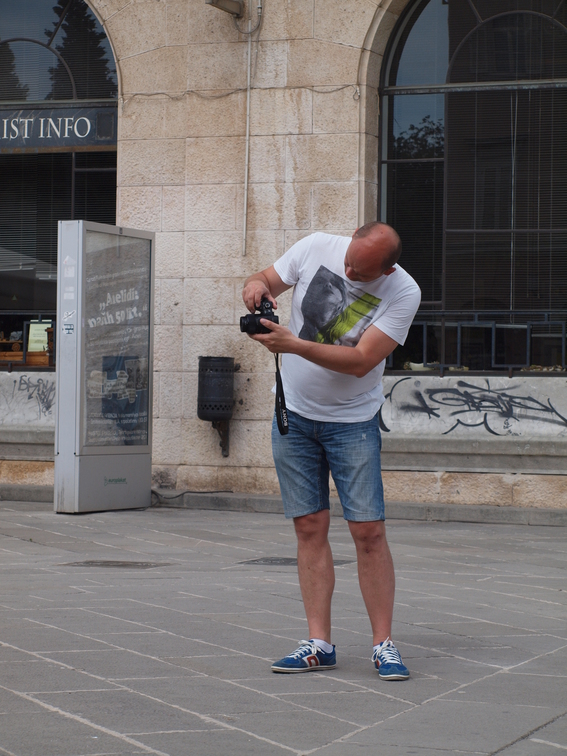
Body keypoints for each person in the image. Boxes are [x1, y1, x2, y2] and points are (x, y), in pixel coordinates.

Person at [241, 222, 421, 680]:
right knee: (308, 527)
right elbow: (263, 277)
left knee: (368, 531)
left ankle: (383, 644)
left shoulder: (403, 291)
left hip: (352, 423)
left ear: (387, 269)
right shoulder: (316, 246)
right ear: (352, 239)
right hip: (293, 414)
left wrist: (293, 344)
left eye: (361, 273)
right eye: (348, 264)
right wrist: (255, 288)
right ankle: (318, 643)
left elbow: (361, 361)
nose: (349, 273)